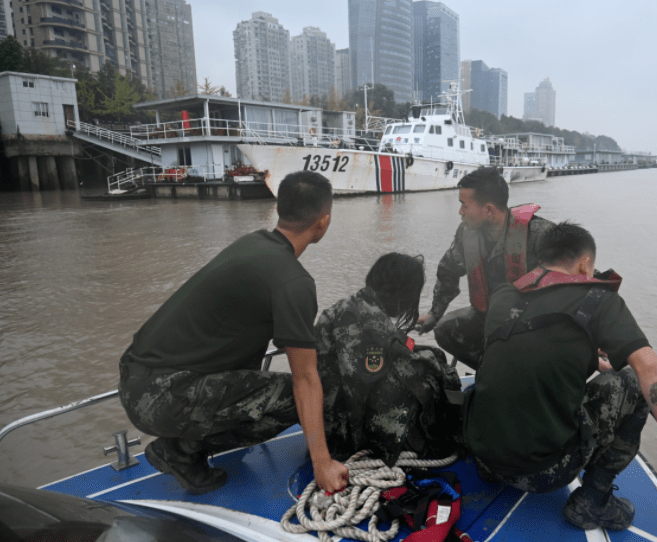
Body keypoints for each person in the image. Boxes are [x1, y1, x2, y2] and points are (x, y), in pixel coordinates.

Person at [461, 221, 657, 531]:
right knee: (635, 382)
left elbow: (533, 349)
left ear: (541, 258)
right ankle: (593, 501)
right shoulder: (599, 300)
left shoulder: (504, 295)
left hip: (483, 457)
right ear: (585, 264)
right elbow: (651, 370)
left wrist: (593, 360)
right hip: (543, 472)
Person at [118, 171, 348, 495]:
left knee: (263, 381)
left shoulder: (253, 243)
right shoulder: (293, 282)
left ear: (280, 208)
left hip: (137, 379)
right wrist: (322, 463)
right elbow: (305, 380)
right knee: (305, 399)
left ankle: (180, 444)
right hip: (163, 394)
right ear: (323, 221)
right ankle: (181, 452)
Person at [315, 253, 462, 465]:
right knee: (430, 382)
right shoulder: (375, 324)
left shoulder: (345, 307)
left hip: (325, 424)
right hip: (344, 439)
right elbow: (410, 372)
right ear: (403, 292)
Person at [416, 167, 554, 369]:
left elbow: (577, 276)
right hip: (488, 316)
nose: (460, 212)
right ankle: (491, 370)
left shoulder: (539, 234)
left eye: (464, 205)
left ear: (488, 210)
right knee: (445, 329)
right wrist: (435, 313)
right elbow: (448, 271)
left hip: (531, 323)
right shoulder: (466, 233)